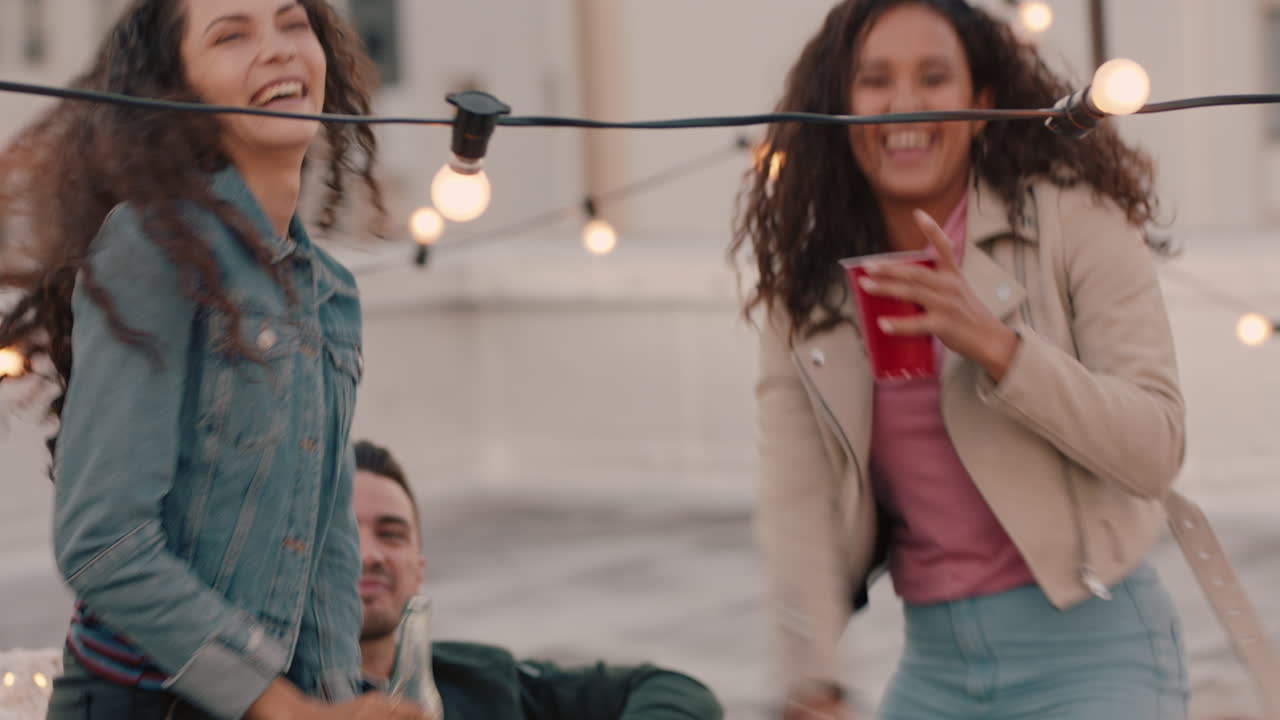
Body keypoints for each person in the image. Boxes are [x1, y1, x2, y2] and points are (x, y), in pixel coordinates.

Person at [731, 1, 1188, 719]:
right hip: (936, 673)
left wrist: (1000, 349)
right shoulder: (809, 287)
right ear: (839, 106)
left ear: (982, 105)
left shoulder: (1074, 219)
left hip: (1094, 656)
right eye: (874, 80)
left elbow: (1155, 448)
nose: (904, 104)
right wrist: (813, 681)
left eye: (934, 77)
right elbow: (799, 503)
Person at [0, 1, 427, 718]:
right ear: (179, 93)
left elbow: (324, 551)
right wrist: (285, 708)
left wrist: (338, 700)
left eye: (294, 24)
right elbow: (101, 541)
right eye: (232, 35)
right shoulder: (150, 247)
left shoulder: (332, 291)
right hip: (138, 702)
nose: (279, 50)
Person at [352, 440, 726, 720]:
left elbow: (673, 688)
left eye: (391, 534)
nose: (369, 554)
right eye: (344, 537)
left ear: (419, 568)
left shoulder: (481, 676)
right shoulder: (295, 695)